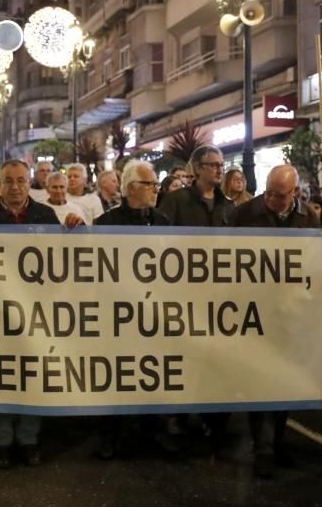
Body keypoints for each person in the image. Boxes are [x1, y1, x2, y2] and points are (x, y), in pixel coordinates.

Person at [232, 165, 322, 478]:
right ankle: (263, 449)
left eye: (279, 194)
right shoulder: (243, 214)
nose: (271, 198)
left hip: (292, 312)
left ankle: (278, 441)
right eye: (268, 191)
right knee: (260, 379)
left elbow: (312, 258)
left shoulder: (309, 217)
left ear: (295, 192)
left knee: (284, 378)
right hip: (256, 310)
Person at [0, 159, 67, 469]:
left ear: (30, 183)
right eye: (8, 181)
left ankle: (29, 439)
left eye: (20, 180)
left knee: (33, 374)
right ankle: (1, 440)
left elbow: (62, 260)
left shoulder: (46, 215)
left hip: (36, 311)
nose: (15, 186)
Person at [158, 145, 234, 450]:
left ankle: (211, 418)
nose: (218, 169)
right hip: (183, 295)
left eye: (221, 165)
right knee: (182, 355)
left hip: (218, 297)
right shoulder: (175, 202)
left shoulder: (228, 207)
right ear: (198, 169)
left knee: (212, 359)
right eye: (213, 165)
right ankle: (175, 416)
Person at [93, 160, 170, 459]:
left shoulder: (163, 222)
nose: (155, 190)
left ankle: (151, 432)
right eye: (150, 184)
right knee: (115, 374)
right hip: (117, 313)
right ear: (131, 188)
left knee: (152, 372)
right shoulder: (105, 224)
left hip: (152, 313)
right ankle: (109, 436)